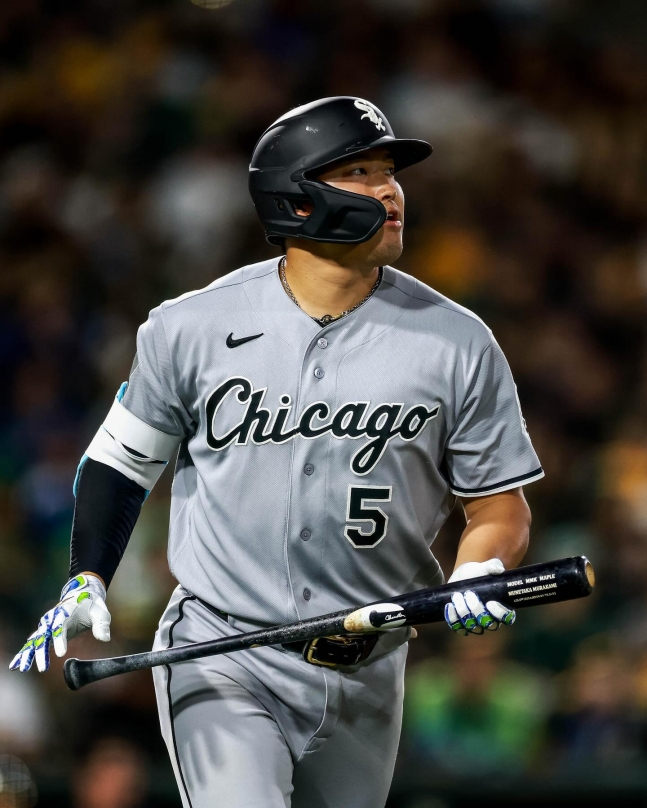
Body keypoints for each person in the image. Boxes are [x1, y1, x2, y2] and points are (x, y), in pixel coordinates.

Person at [10, 97, 543, 808]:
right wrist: (87, 575)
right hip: (224, 650)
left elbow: (498, 505)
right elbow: (121, 461)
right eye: (359, 171)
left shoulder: (458, 340)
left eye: (390, 172)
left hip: (369, 664)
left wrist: (479, 567)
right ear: (295, 196)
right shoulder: (191, 326)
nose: (389, 190)